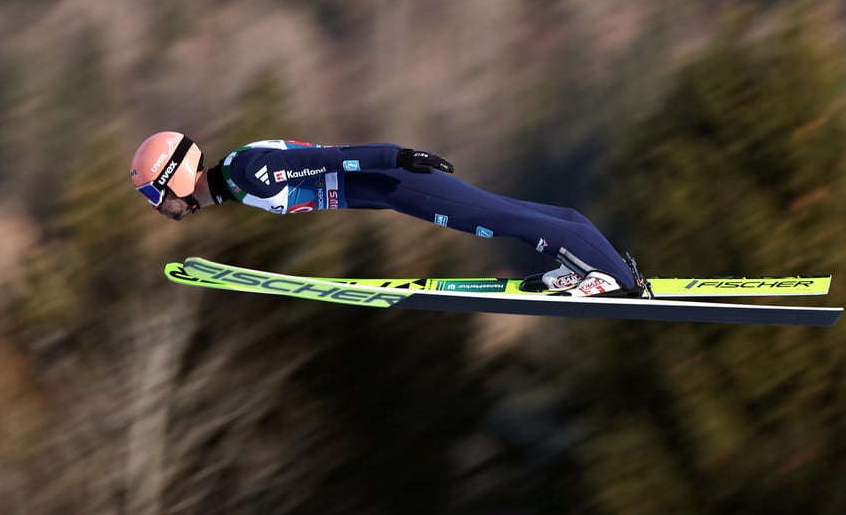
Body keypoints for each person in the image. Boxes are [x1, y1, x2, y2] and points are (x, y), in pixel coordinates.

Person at [130, 132, 644, 297]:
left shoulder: (249, 174)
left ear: (175, 175)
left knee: (496, 220)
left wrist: (399, 158)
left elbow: (332, 159)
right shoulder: (240, 175)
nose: (159, 207)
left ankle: (612, 278)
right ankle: (589, 258)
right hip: (392, 189)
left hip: (398, 183)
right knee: (507, 211)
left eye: (155, 193)